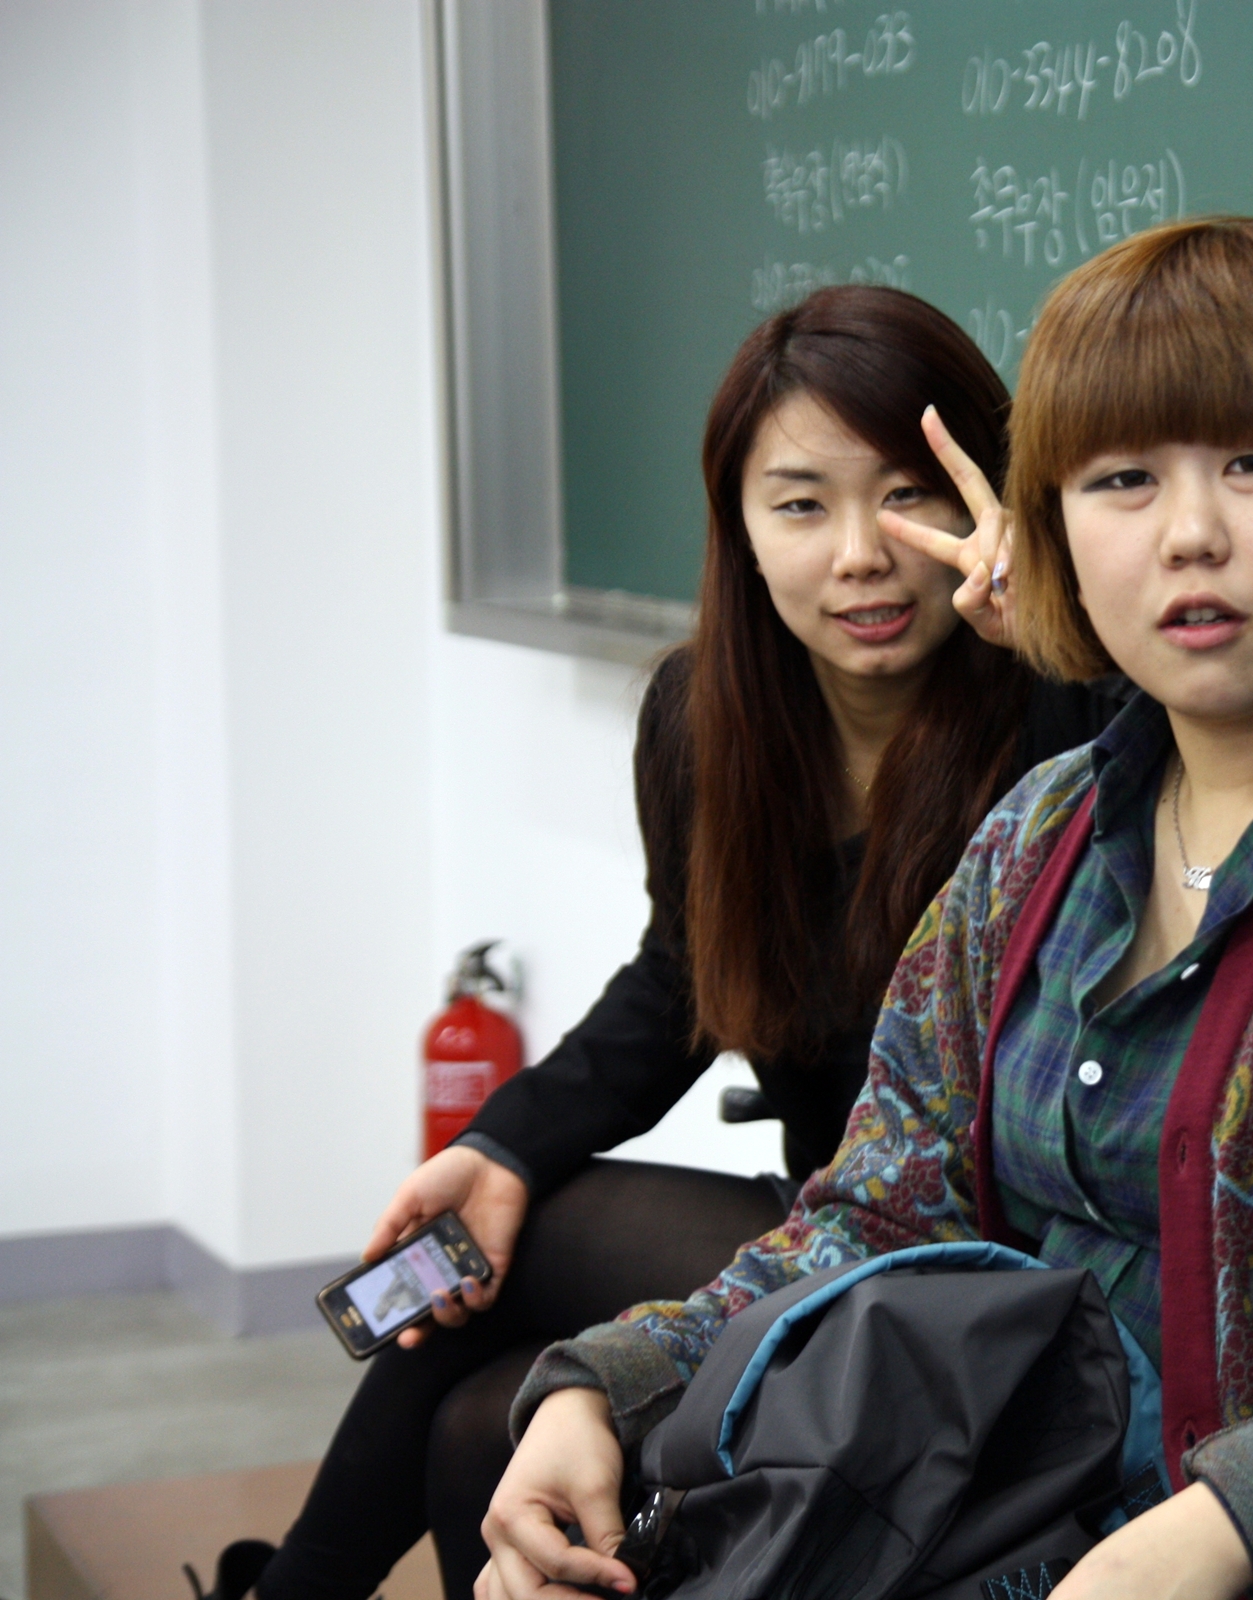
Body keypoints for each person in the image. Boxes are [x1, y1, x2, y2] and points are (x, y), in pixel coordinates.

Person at [477, 217, 1253, 1600]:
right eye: (1122, 480)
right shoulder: (1034, 840)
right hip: (989, 1522)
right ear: (1054, 531)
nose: (1190, 533)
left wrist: (1228, 1525)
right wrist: (607, 1388)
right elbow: (880, 1214)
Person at [230, 287, 1125, 1600]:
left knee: (527, 1263)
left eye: (908, 497)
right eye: (802, 505)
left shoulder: (1075, 719)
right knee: (484, 1409)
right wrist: (501, 1143)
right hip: (830, 1221)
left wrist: (1069, 633)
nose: (862, 555)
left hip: (985, 1261)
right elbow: (682, 978)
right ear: (740, 528)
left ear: (990, 501)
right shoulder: (707, 721)